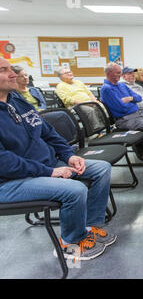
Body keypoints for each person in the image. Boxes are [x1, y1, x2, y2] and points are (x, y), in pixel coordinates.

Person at [0, 57, 116, 261]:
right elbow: (4, 162)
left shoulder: (16, 99)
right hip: (11, 181)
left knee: (101, 168)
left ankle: (90, 226)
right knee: (75, 189)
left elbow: (47, 132)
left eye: (11, 69)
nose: (13, 74)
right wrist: (50, 172)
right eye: (3, 70)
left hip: (47, 165)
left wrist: (69, 156)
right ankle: (70, 242)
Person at [100, 62, 143, 148]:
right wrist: (134, 103)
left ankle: (141, 141)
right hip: (126, 119)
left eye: (120, 72)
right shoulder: (106, 89)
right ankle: (142, 145)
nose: (120, 74)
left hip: (138, 114)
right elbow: (122, 107)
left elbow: (138, 98)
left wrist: (130, 99)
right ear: (108, 74)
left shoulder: (121, 85)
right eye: (118, 73)